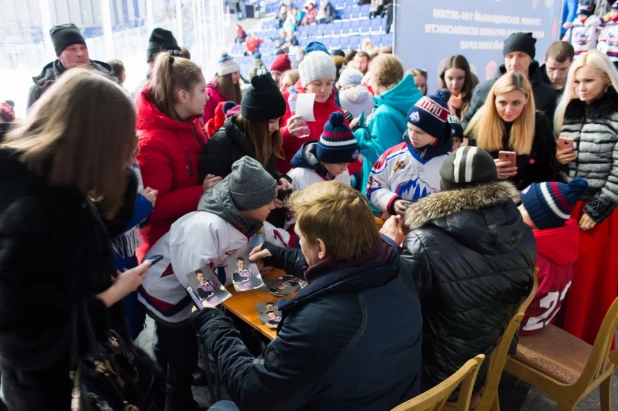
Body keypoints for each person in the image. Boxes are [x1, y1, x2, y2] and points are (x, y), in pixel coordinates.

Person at [193, 181, 422, 411]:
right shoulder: (396, 266)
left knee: (222, 407)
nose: (299, 242)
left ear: (320, 247)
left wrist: (214, 323)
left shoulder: (318, 321)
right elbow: (345, 267)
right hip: (390, 394)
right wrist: (281, 256)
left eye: (300, 237)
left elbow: (251, 395)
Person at [0, 69, 154, 411]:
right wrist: (113, 294)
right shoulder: (32, 218)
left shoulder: (52, 184)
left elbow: (77, 242)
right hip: (60, 393)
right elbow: (24, 342)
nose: (130, 151)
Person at [138, 157, 290, 410]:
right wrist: (243, 283)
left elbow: (228, 265)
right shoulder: (205, 227)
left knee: (175, 349)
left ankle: (169, 370)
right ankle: (177, 401)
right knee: (182, 355)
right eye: (267, 200)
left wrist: (253, 272)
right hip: (167, 296)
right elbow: (200, 280)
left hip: (191, 291)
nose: (273, 206)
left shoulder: (243, 219)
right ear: (248, 202)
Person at [402, 146, 536, 392]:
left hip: (440, 374)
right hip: (496, 357)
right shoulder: (523, 232)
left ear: (443, 187)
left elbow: (402, 310)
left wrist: (391, 248)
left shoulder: (423, 242)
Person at [553, 49, 618, 345]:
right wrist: (559, 159)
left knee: (590, 283)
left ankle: (585, 345)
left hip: (600, 211)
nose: (580, 88)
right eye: (576, 82)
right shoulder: (570, 109)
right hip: (570, 206)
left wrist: (599, 206)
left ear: (606, 78)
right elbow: (563, 164)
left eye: (588, 81)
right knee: (566, 276)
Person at [136, 52, 217, 260]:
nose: (207, 96)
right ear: (183, 96)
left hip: (193, 234)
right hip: (166, 248)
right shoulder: (151, 143)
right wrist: (203, 190)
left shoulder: (192, 122)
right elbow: (155, 206)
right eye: (202, 90)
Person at [199, 74, 291, 228]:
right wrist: (264, 200)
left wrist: (280, 179)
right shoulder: (221, 143)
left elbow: (266, 172)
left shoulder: (267, 136)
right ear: (254, 120)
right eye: (270, 121)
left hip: (267, 225)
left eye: (278, 121)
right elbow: (216, 199)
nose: (276, 127)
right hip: (235, 231)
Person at [518, 178, 588, 335]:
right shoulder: (560, 246)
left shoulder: (534, 257)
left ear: (540, 220)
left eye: (524, 208)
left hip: (516, 330)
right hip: (537, 322)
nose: (517, 210)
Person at [368, 90, 453, 216]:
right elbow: (373, 186)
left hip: (433, 230)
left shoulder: (450, 163)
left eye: (419, 132)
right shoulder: (392, 155)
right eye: (410, 128)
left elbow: (458, 198)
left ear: (436, 133)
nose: (412, 136)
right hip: (393, 226)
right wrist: (392, 202)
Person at [466, 72, 555, 191]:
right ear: (494, 99)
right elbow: (468, 168)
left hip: (526, 196)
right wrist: (487, 171)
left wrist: (525, 196)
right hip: (487, 195)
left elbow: (546, 169)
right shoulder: (479, 121)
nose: (508, 110)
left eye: (516, 103)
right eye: (502, 102)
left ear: (526, 99)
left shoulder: (539, 121)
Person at [354, 55, 423, 194]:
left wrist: (358, 133)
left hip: (381, 192)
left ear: (377, 79)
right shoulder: (407, 102)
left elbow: (382, 158)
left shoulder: (384, 113)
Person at [463, 32, 559, 130]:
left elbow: (550, 132)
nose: (514, 62)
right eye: (509, 56)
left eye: (521, 55)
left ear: (531, 58)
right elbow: (467, 124)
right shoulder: (484, 89)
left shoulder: (547, 94)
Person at [278, 50, 347, 172]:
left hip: (326, 184)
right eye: (317, 83)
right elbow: (268, 147)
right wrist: (287, 133)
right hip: (291, 180)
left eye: (328, 83)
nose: (323, 90)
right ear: (305, 83)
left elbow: (347, 152)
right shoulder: (285, 101)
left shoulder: (337, 113)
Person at [27, 23, 117, 109]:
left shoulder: (107, 79)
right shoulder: (42, 89)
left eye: (83, 48)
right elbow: (35, 124)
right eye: (72, 49)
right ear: (59, 55)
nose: (80, 53)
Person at [289, 112, 359, 190]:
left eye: (347, 162)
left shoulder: (343, 173)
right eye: (341, 163)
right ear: (327, 157)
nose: (345, 168)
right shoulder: (298, 176)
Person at [131, 27, 183, 98]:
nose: (173, 66)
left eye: (176, 60)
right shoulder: (140, 97)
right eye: (168, 61)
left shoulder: (187, 85)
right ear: (151, 63)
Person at [204, 53, 242, 123]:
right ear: (226, 75)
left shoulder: (233, 89)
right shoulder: (209, 94)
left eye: (238, 73)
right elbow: (207, 122)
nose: (238, 77)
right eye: (235, 73)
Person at [439, 55, 479, 121]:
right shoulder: (438, 102)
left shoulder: (475, 101)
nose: (455, 83)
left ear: (466, 78)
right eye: (450, 78)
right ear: (444, 78)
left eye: (460, 78)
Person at [597, 2, 618, 67]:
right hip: (608, 54)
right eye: (612, 11)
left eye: (615, 11)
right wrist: (602, 43)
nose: (613, 13)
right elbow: (601, 36)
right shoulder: (607, 24)